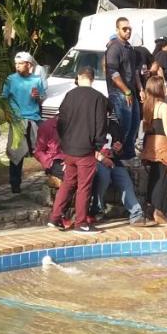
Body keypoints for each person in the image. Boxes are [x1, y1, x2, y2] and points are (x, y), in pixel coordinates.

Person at [48, 66, 108, 233]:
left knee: (68, 183)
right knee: (84, 186)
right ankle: (81, 222)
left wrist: (65, 141)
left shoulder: (69, 95)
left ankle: (55, 217)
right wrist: (97, 145)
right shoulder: (98, 98)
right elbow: (101, 124)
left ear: (79, 77)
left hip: (69, 148)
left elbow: (60, 122)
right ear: (92, 79)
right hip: (86, 150)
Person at [92, 108, 146, 227]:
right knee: (104, 176)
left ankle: (136, 213)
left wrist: (118, 149)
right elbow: (85, 148)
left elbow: (120, 151)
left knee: (125, 181)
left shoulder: (113, 126)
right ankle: (96, 209)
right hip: (95, 160)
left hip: (113, 161)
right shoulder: (90, 124)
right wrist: (101, 158)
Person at [1, 50, 46, 193]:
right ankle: (15, 184)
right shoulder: (10, 79)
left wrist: (38, 96)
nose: (17, 66)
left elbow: (41, 99)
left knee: (42, 150)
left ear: (28, 64)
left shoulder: (36, 80)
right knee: (16, 153)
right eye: (15, 64)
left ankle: (51, 177)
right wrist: (8, 115)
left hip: (33, 119)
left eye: (20, 63)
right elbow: (3, 98)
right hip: (17, 120)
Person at [141, 76, 167, 225]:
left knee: (153, 177)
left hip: (150, 144)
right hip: (162, 144)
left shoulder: (147, 105)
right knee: (162, 179)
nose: (166, 88)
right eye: (164, 85)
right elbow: (166, 128)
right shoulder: (163, 106)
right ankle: (159, 210)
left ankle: (149, 211)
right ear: (159, 88)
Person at [105, 16, 141, 160]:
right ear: (117, 30)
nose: (127, 31)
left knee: (135, 124)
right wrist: (125, 90)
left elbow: (134, 71)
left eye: (129, 29)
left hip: (130, 91)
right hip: (119, 92)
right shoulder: (114, 47)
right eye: (124, 29)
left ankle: (128, 155)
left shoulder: (129, 48)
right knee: (124, 127)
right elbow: (112, 72)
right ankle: (118, 157)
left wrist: (140, 89)